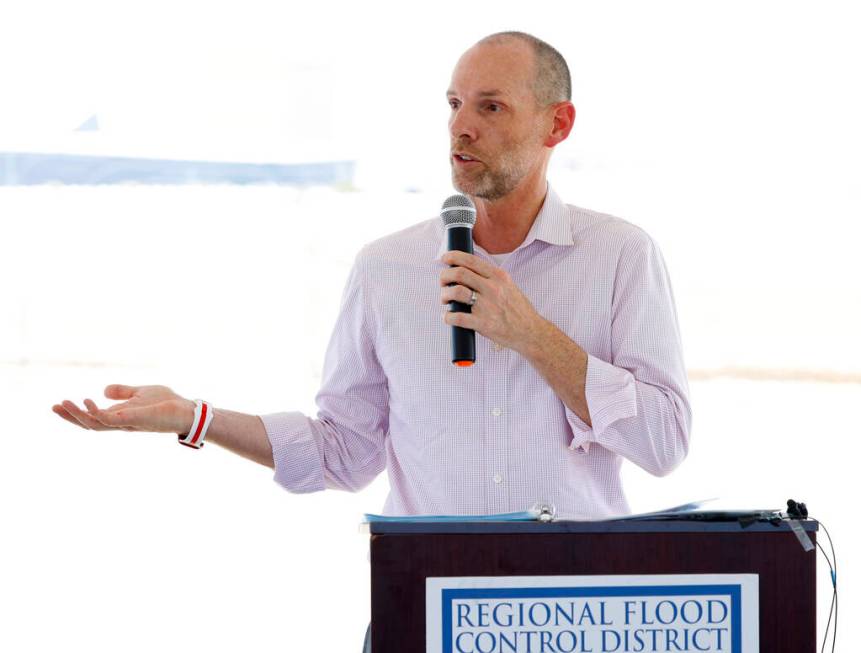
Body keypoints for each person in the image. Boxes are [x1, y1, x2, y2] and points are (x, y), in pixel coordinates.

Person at [53, 31, 691, 522]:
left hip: (577, 605)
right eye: (454, 104)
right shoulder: (388, 269)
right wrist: (194, 417)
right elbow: (343, 453)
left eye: (491, 107)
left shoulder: (621, 257)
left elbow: (663, 444)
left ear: (558, 123)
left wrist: (532, 335)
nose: (460, 127)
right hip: (424, 600)